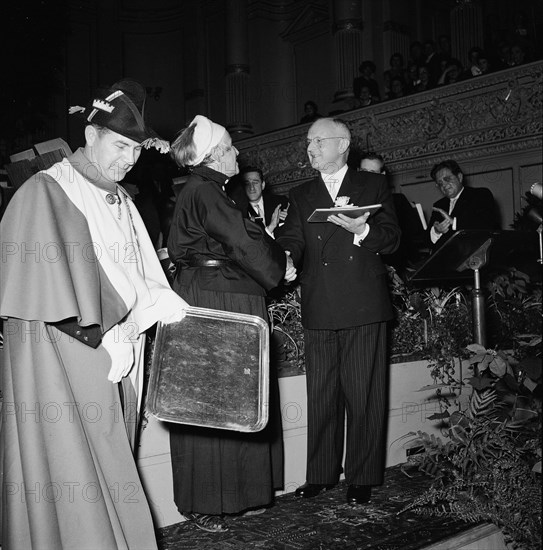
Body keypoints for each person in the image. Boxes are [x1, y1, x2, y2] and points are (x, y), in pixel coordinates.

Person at [0, 79, 189, 550]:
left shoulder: (122, 197)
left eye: (135, 150)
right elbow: (37, 295)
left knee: (114, 458)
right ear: (90, 135)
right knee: (78, 471)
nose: (128, 159)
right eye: (120, 144)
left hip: (118, 358)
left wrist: (157, 301)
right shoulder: (45, 191)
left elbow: (130, 272)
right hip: (69, 367)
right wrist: (102, 336)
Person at [167, 115, 296, 532]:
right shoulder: (205, 190)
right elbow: (243, 241)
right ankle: (206, 501)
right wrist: (281, 266)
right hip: (214, 297)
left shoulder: (207, 189)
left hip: (219, 292)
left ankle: (239, 495)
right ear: (213, 155)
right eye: (230, 148)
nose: (237, 153)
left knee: (231, 399)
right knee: (211, 399)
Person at [277, 118, 400, 505]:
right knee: (322, 394)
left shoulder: (373, 185)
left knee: (363, 394)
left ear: (342, 144)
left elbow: (394, 240)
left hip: (363, 302)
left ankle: (361, 476)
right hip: (319, 301)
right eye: (308, 141)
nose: (310, 148)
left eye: (318, 141)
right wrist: (284, 257)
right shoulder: (300, 193)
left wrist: (362, 232)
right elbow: (293, 238)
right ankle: (321, 475)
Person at [359, 152, 428, 275]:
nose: (368, 177)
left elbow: (413, 237)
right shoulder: (349, 202)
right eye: (364, 172)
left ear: (383, 175)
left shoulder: (398, 201)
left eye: (373, 173)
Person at [428, 159, 501, 248]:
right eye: (440, 183)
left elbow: (485, 225)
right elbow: (427, 241)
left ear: (459, 177)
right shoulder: (438, 205)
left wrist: (453, 222)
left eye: (447, 179)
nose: (444, 185)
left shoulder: (480, 195)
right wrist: (436, 231)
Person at [240, 166, 289, 236]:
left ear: (263, 185)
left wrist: (291, 218)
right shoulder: (239, 212)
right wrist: (271, 226)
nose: (251, 187)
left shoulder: (281, 202)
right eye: (247, 183)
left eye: (255, 182)